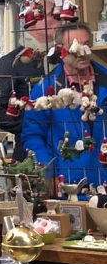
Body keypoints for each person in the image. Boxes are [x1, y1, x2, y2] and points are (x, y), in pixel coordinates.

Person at [22, 23, 101, 190]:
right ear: (60, 50)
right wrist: (47, 171)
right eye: (74, 46)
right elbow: (33, 137)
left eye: (86, 44)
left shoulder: (105, 80)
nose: (81, 52)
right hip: (68, 185)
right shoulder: (44, 91)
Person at [0, 0, 62, 160]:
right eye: (53, 15)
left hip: (67, 153)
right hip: (29, 156)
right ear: (33, 19)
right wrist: (36, 124)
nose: (60, 19)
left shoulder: (63, 59)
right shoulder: (10, 63)